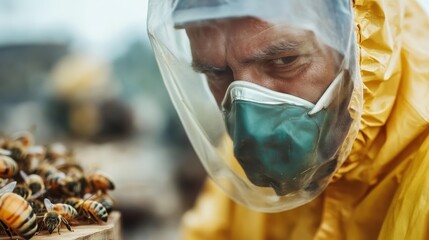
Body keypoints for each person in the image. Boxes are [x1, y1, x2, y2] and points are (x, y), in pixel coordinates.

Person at [147, 0, 429, 239]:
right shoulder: (242, 165)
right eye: (217, 74)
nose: (252, 124)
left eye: (284, 61)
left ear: (360, 41)